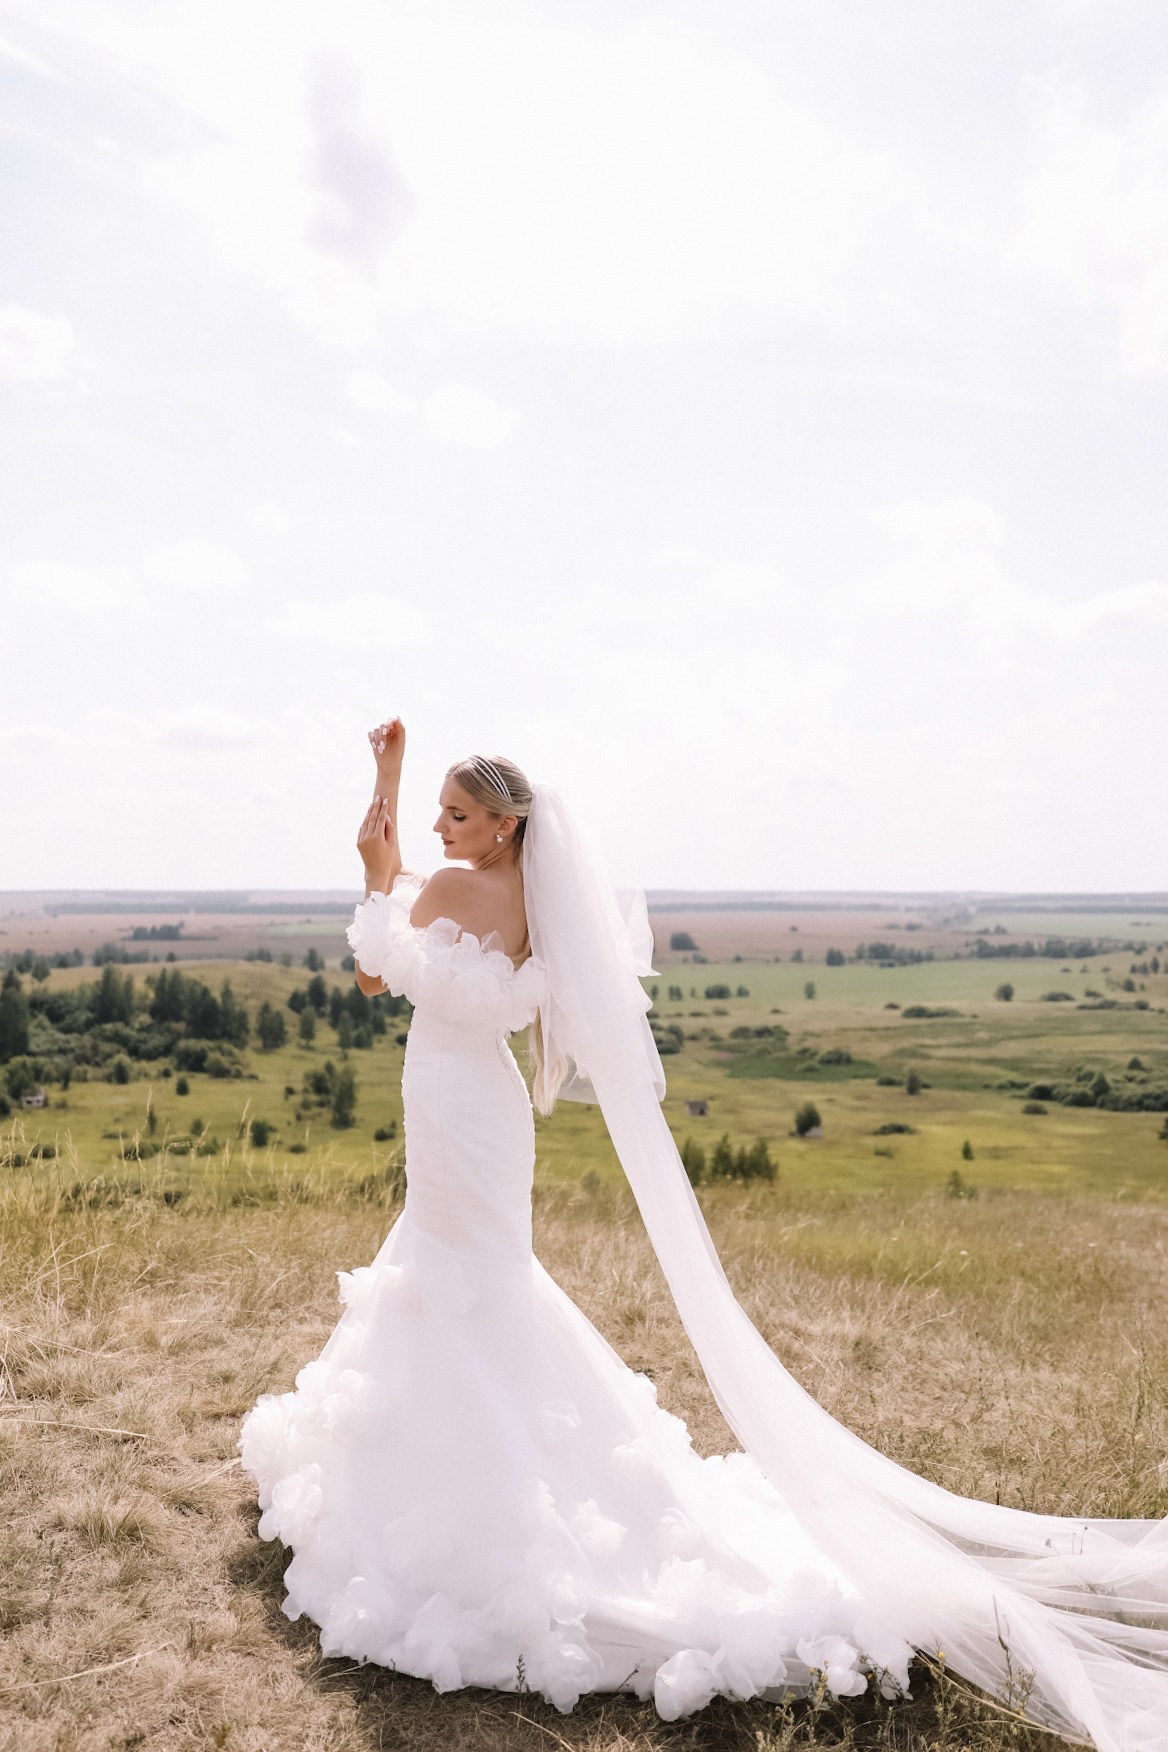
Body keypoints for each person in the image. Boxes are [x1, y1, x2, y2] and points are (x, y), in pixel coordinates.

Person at [241, 721, 1168, 1747]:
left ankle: (457, 1481)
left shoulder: (448, 890)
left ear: (503, 829)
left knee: (459, 1276)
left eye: (457, 815)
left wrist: (375, 869)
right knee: (474, 1274)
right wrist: (390, 787)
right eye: (438, 813)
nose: (438, 827)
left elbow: (378, 969)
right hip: (485, 1113)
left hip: (453, 1102)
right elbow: (419, 874)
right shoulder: (527, 903)